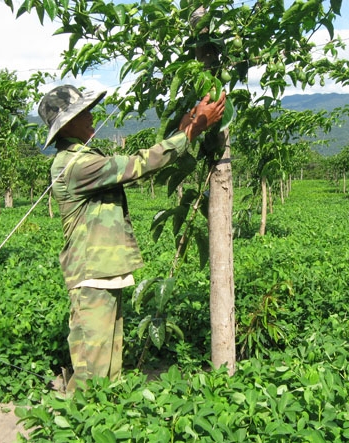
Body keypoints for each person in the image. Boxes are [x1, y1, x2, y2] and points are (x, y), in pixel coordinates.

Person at [38, 84, 226, 393]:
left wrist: (183, 131)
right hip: (91, 277)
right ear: (67, 123)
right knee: (91, 373)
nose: (91, 116)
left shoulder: (83, 157)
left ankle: (105, 424)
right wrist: (188, 134)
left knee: (109, 370)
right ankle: (76, 428)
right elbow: (136, 165)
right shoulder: (74, 164)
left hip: (104, 272)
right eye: (83, 112)